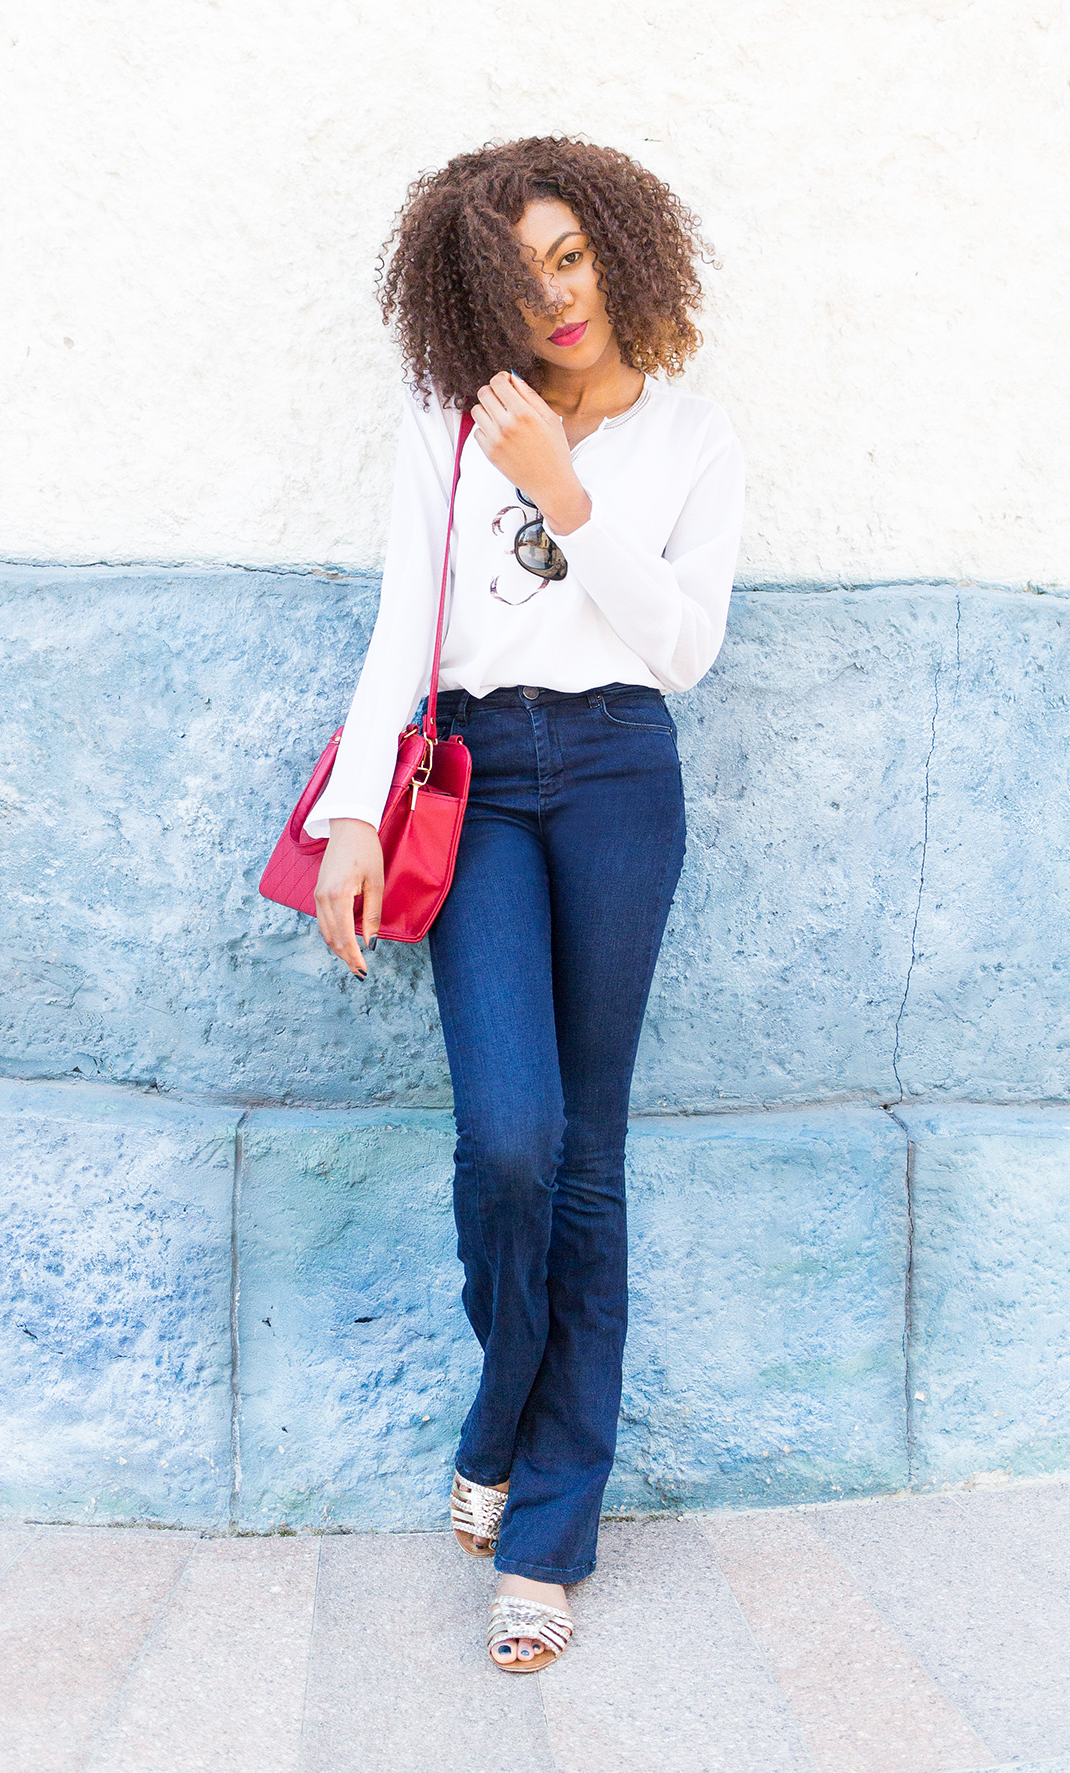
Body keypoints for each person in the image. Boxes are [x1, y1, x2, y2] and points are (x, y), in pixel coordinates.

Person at [304, 137, 744, 1671]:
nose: (554, 295)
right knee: (512, 1139)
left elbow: (682, 644)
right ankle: (501, 1410)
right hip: (474, 782)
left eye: (572, 256)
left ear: (620, 251)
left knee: (591, 1154)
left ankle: (546, 1529)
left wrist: (566, 494)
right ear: (477, 294)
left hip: (622, 772)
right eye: (520, 274)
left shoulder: (691, 435)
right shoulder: (451, 416)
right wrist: (355, 814)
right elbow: (398, 629)